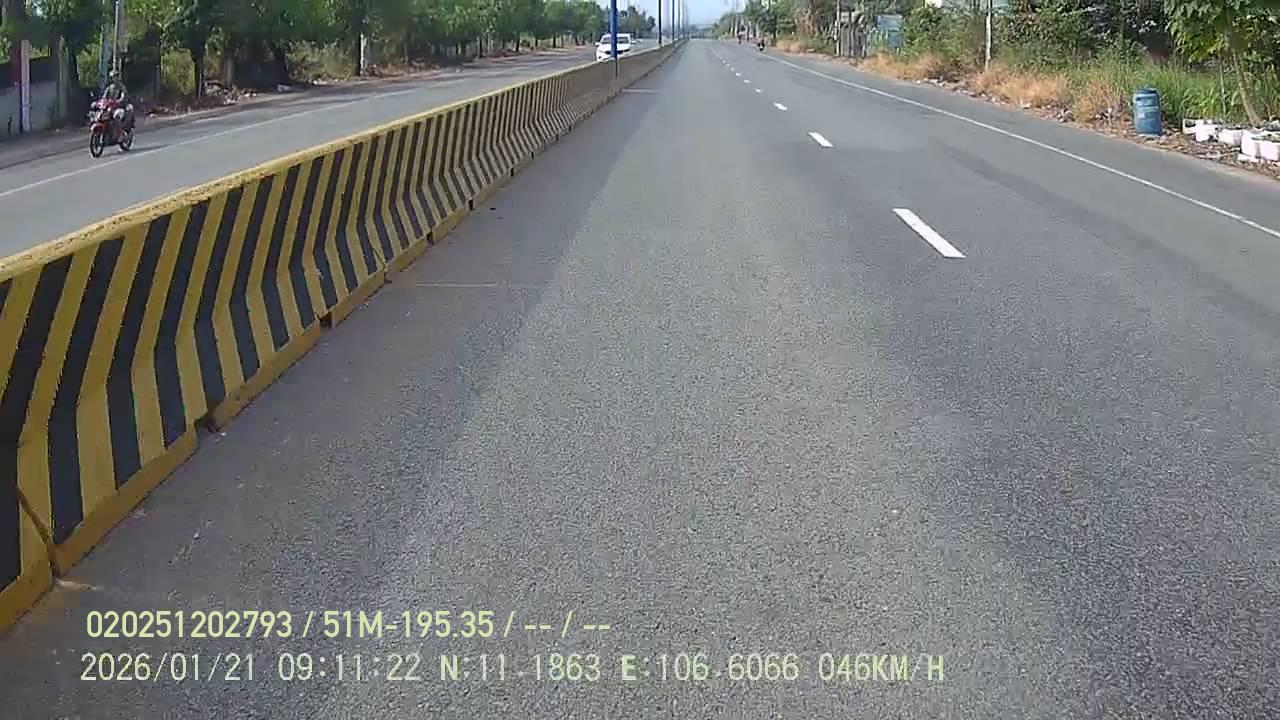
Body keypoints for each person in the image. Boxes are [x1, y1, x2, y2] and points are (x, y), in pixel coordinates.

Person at [102, 70, 134, 135]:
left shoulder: (121, 87)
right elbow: (104, 97)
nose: (114, 79)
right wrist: (102, 101)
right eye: (112, 77)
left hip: (120, 106)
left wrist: (119, 100)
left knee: (117, 116)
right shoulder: (109, 87)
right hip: (111, 107)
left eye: (115, 77)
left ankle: (120, 133)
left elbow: (123, 95)